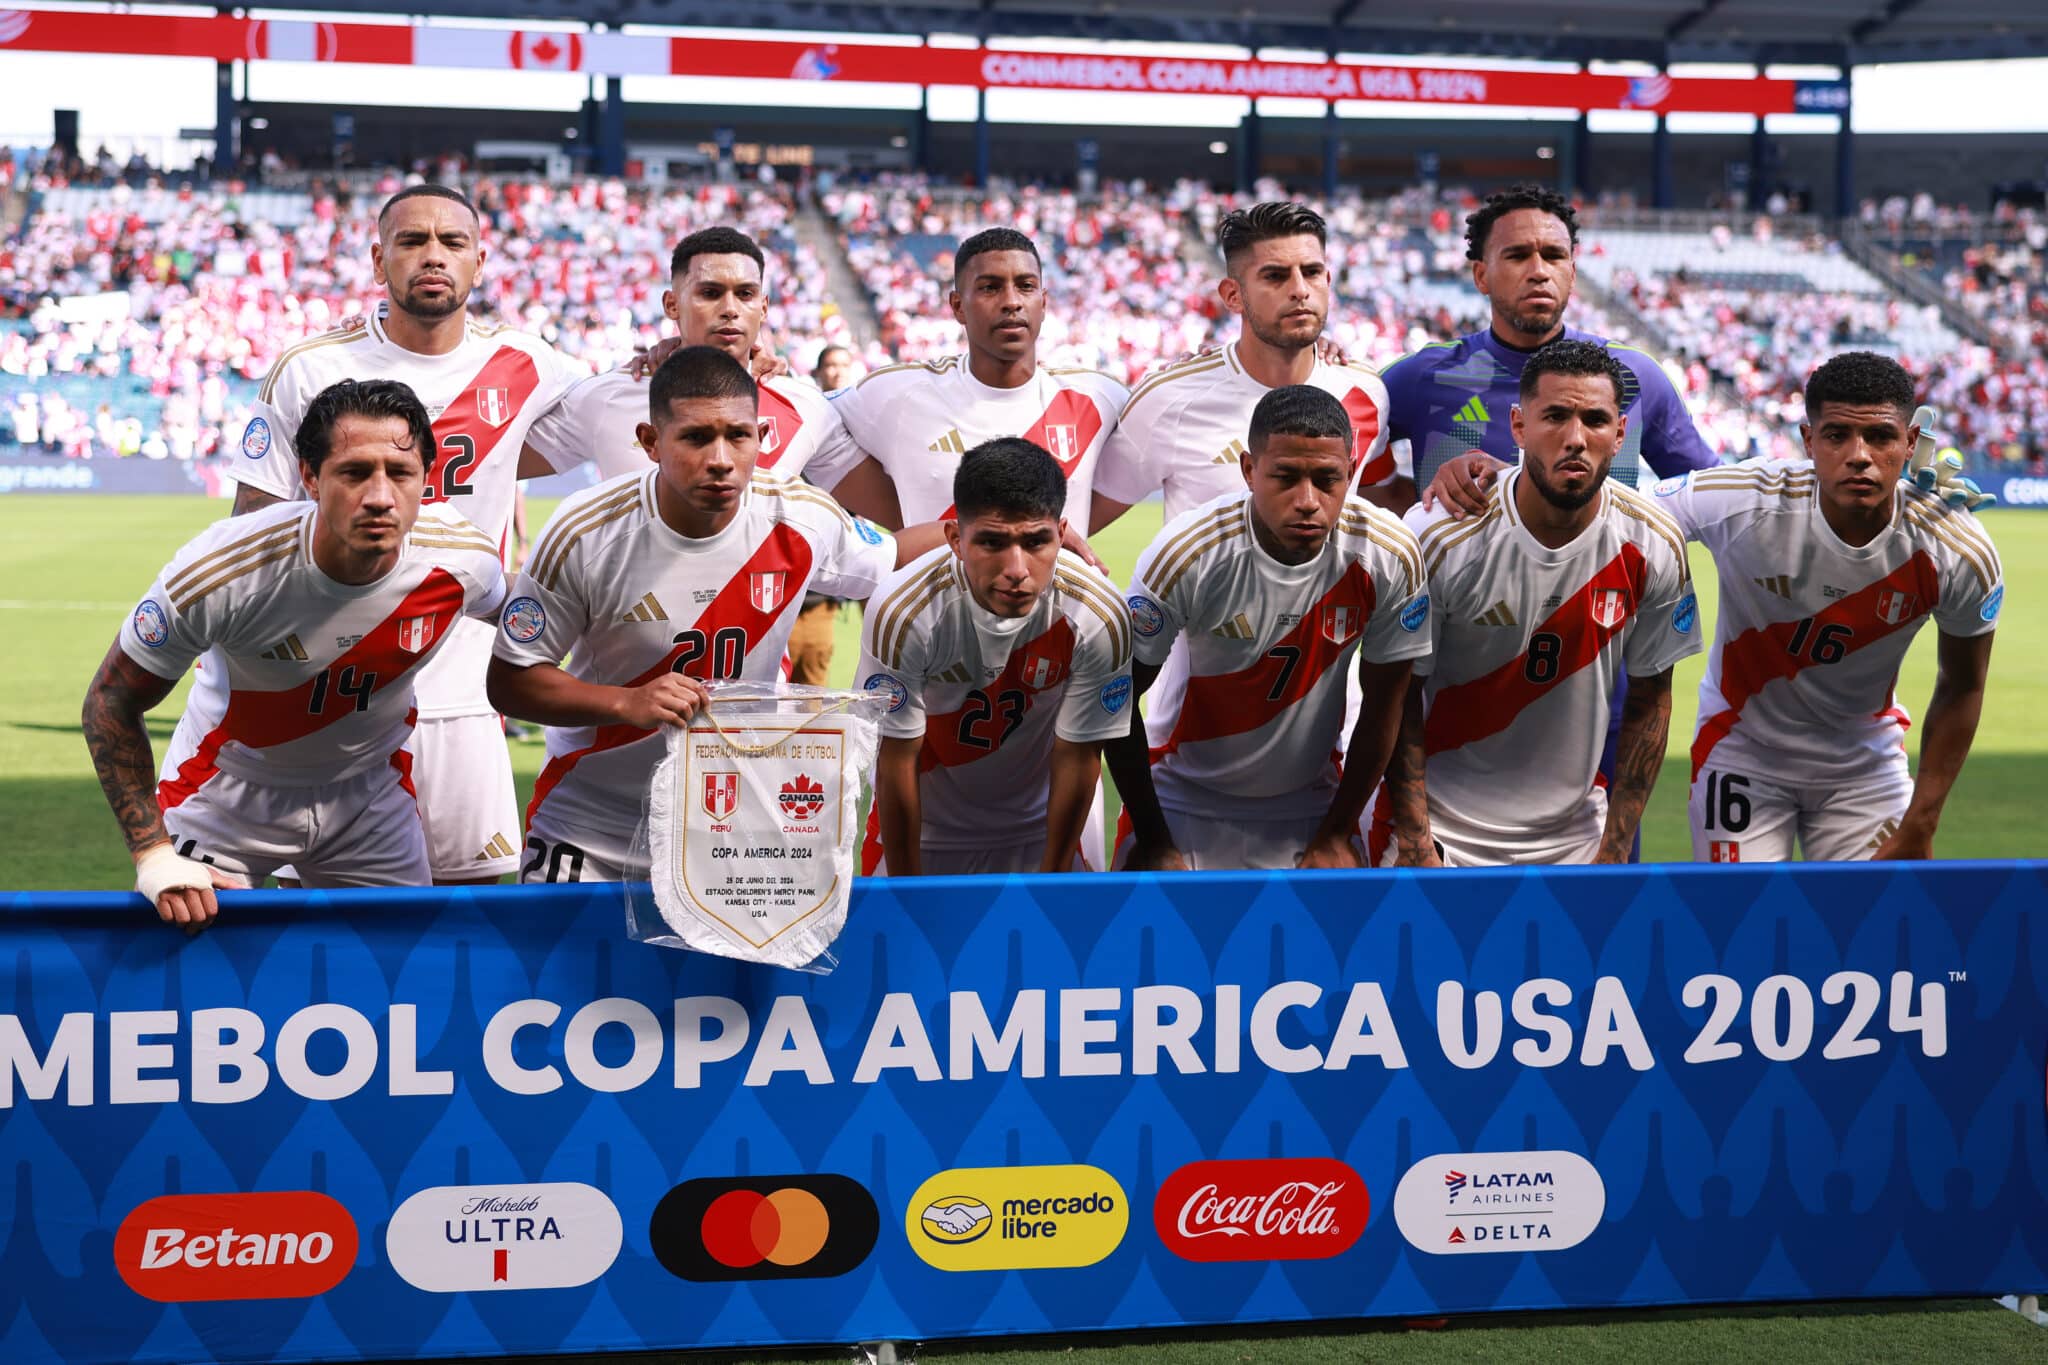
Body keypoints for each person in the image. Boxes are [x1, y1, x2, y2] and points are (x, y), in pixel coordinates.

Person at [223, 184, 583, 884]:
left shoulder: (527, 363)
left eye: (452, 242)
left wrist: (696, 354)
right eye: (412, 240)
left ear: (480, 261)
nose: (433, 255)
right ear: (377, 258)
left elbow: (639, 407)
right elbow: (250, 530)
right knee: (322, 916)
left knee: (469, 911)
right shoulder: (311, 368)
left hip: (466, 693)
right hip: (334, 695)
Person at [486, 346, 948, 884]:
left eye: (739, 435)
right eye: (697, 437)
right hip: (590, 825)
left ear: (762, 437)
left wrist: (1007, 531)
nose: (722, 459)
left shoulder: (800, 516)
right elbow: (511, 682)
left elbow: (895, 554)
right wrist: (625, 702)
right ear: (650, 442)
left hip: (728, 827)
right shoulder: (584, 532)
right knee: (561, 945)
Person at [81, 379, 507, 926]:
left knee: (399, 960)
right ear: (309, 476)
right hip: (224, 795)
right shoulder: (222, 571)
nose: (380, 496)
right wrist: (153, 853)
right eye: (354, 473)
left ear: (426, 477)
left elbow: (524, 615)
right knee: (195, 963)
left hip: (370, 797)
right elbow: (110, 700)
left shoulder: (463, 559)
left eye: (400, 473)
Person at [1655, 352, 2001, 861]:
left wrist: (1922, 821)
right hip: (1740, 751)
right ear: (1808, 440)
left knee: (1877, 914)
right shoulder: (1746, 500)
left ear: (1910, 443)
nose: (1859, 455)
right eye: (1837, 435)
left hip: (1865, 770)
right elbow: (1624, 516)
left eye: (1881, 437)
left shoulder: (1956, 550)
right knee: (1740, 911)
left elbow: (1963, 685)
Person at [1378, 341, 1700, 866]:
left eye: (1595, 420)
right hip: (1441, 830)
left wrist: (1616, 846)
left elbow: (1651, 700)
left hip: (1575, 835)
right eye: (1554, 416)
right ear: (1518, 425)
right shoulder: (1440, 535)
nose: (1575, 438)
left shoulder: (1653, 540)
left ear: (1620, 434)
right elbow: (1396, 695)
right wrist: (1416, 838)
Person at [1107, 386, 1429, 871]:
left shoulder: (1387, 553)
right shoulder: (1189, 553)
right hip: (1181, 798)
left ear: (1351, 471)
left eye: (1327, 479)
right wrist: (1153, 837)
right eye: (1285, 477)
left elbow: (1388, 703)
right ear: (1249, 470)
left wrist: (1337, 833)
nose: (1307, 501)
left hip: (1313, 803)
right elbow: (1116, 698)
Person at [856, 438, 1132, 875]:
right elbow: (895, 760)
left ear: (1062, 535)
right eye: (992, 542)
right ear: (955, 539)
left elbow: (1079, 756)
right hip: (924, 833)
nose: (1017, 570)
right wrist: (911, 891)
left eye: (1037, 541)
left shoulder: (1096, 612)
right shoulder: (904, 610)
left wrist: (1052, 878)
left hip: (1037, 832)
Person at [525, 226, 900, 524]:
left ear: (764, 308)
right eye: (710, 293)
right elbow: (495, 460)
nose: (730, 309)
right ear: (672, 304)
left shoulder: (805, 407)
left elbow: (901, 512)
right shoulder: (610, 396)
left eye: (745, 294)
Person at [1388, 184, 1721, 511]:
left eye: (1554, 256)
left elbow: (1716, 501)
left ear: (1572, 274)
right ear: (1481, 275)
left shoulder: (1634, 375)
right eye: (1518, 256)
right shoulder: (1424, 375)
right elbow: (1358, 472)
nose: (1539, 271)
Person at [1089, 201, 1398, 533]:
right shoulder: (1169, 399)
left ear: (1327, 280)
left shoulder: (1366, 392)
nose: (1300, 290)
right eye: (1275, 276)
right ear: (1232, 295)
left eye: (1311, 272)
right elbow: (1076, 523)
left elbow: (1385, 499)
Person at [807, 227, 1130, 534]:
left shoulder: (1100, 397)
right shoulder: (898, 394)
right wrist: (911, 523)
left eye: (1025, 286)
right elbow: (802, 417)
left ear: (1043, 303)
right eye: (990, 287)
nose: (1012, 301)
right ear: (958, 306)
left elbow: (1148, 453)